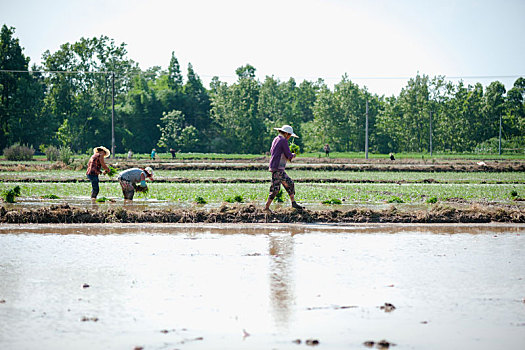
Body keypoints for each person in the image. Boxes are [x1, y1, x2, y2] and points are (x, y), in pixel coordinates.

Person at [264, 125, 303, 212]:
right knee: (277, 188)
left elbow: (273, 151)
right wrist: (293, 155)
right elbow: (289, 155)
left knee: (286, 184)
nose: (289, 137)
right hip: (278, 167)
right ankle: (266, 207)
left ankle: (293, 203)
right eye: (289, 135)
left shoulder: (276, 139)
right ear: (286, 133)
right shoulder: (283, 141)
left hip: (275, 166)